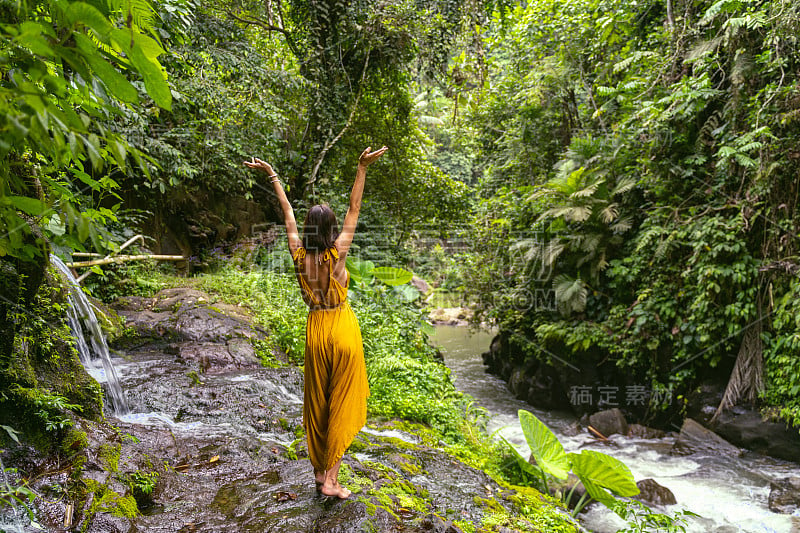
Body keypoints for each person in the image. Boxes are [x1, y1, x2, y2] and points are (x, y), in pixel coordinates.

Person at [244, 146, 388, 499]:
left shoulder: (298, 254)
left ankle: (319, 475)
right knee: (341, 400)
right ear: (331, 228)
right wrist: (362, 168)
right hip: (341, 327)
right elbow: (355, 208)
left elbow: (288, 212)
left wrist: (272, 176)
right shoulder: (337, 252)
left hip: (315, 331)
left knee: (317, 403)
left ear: (309, 228)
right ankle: (333, 482)